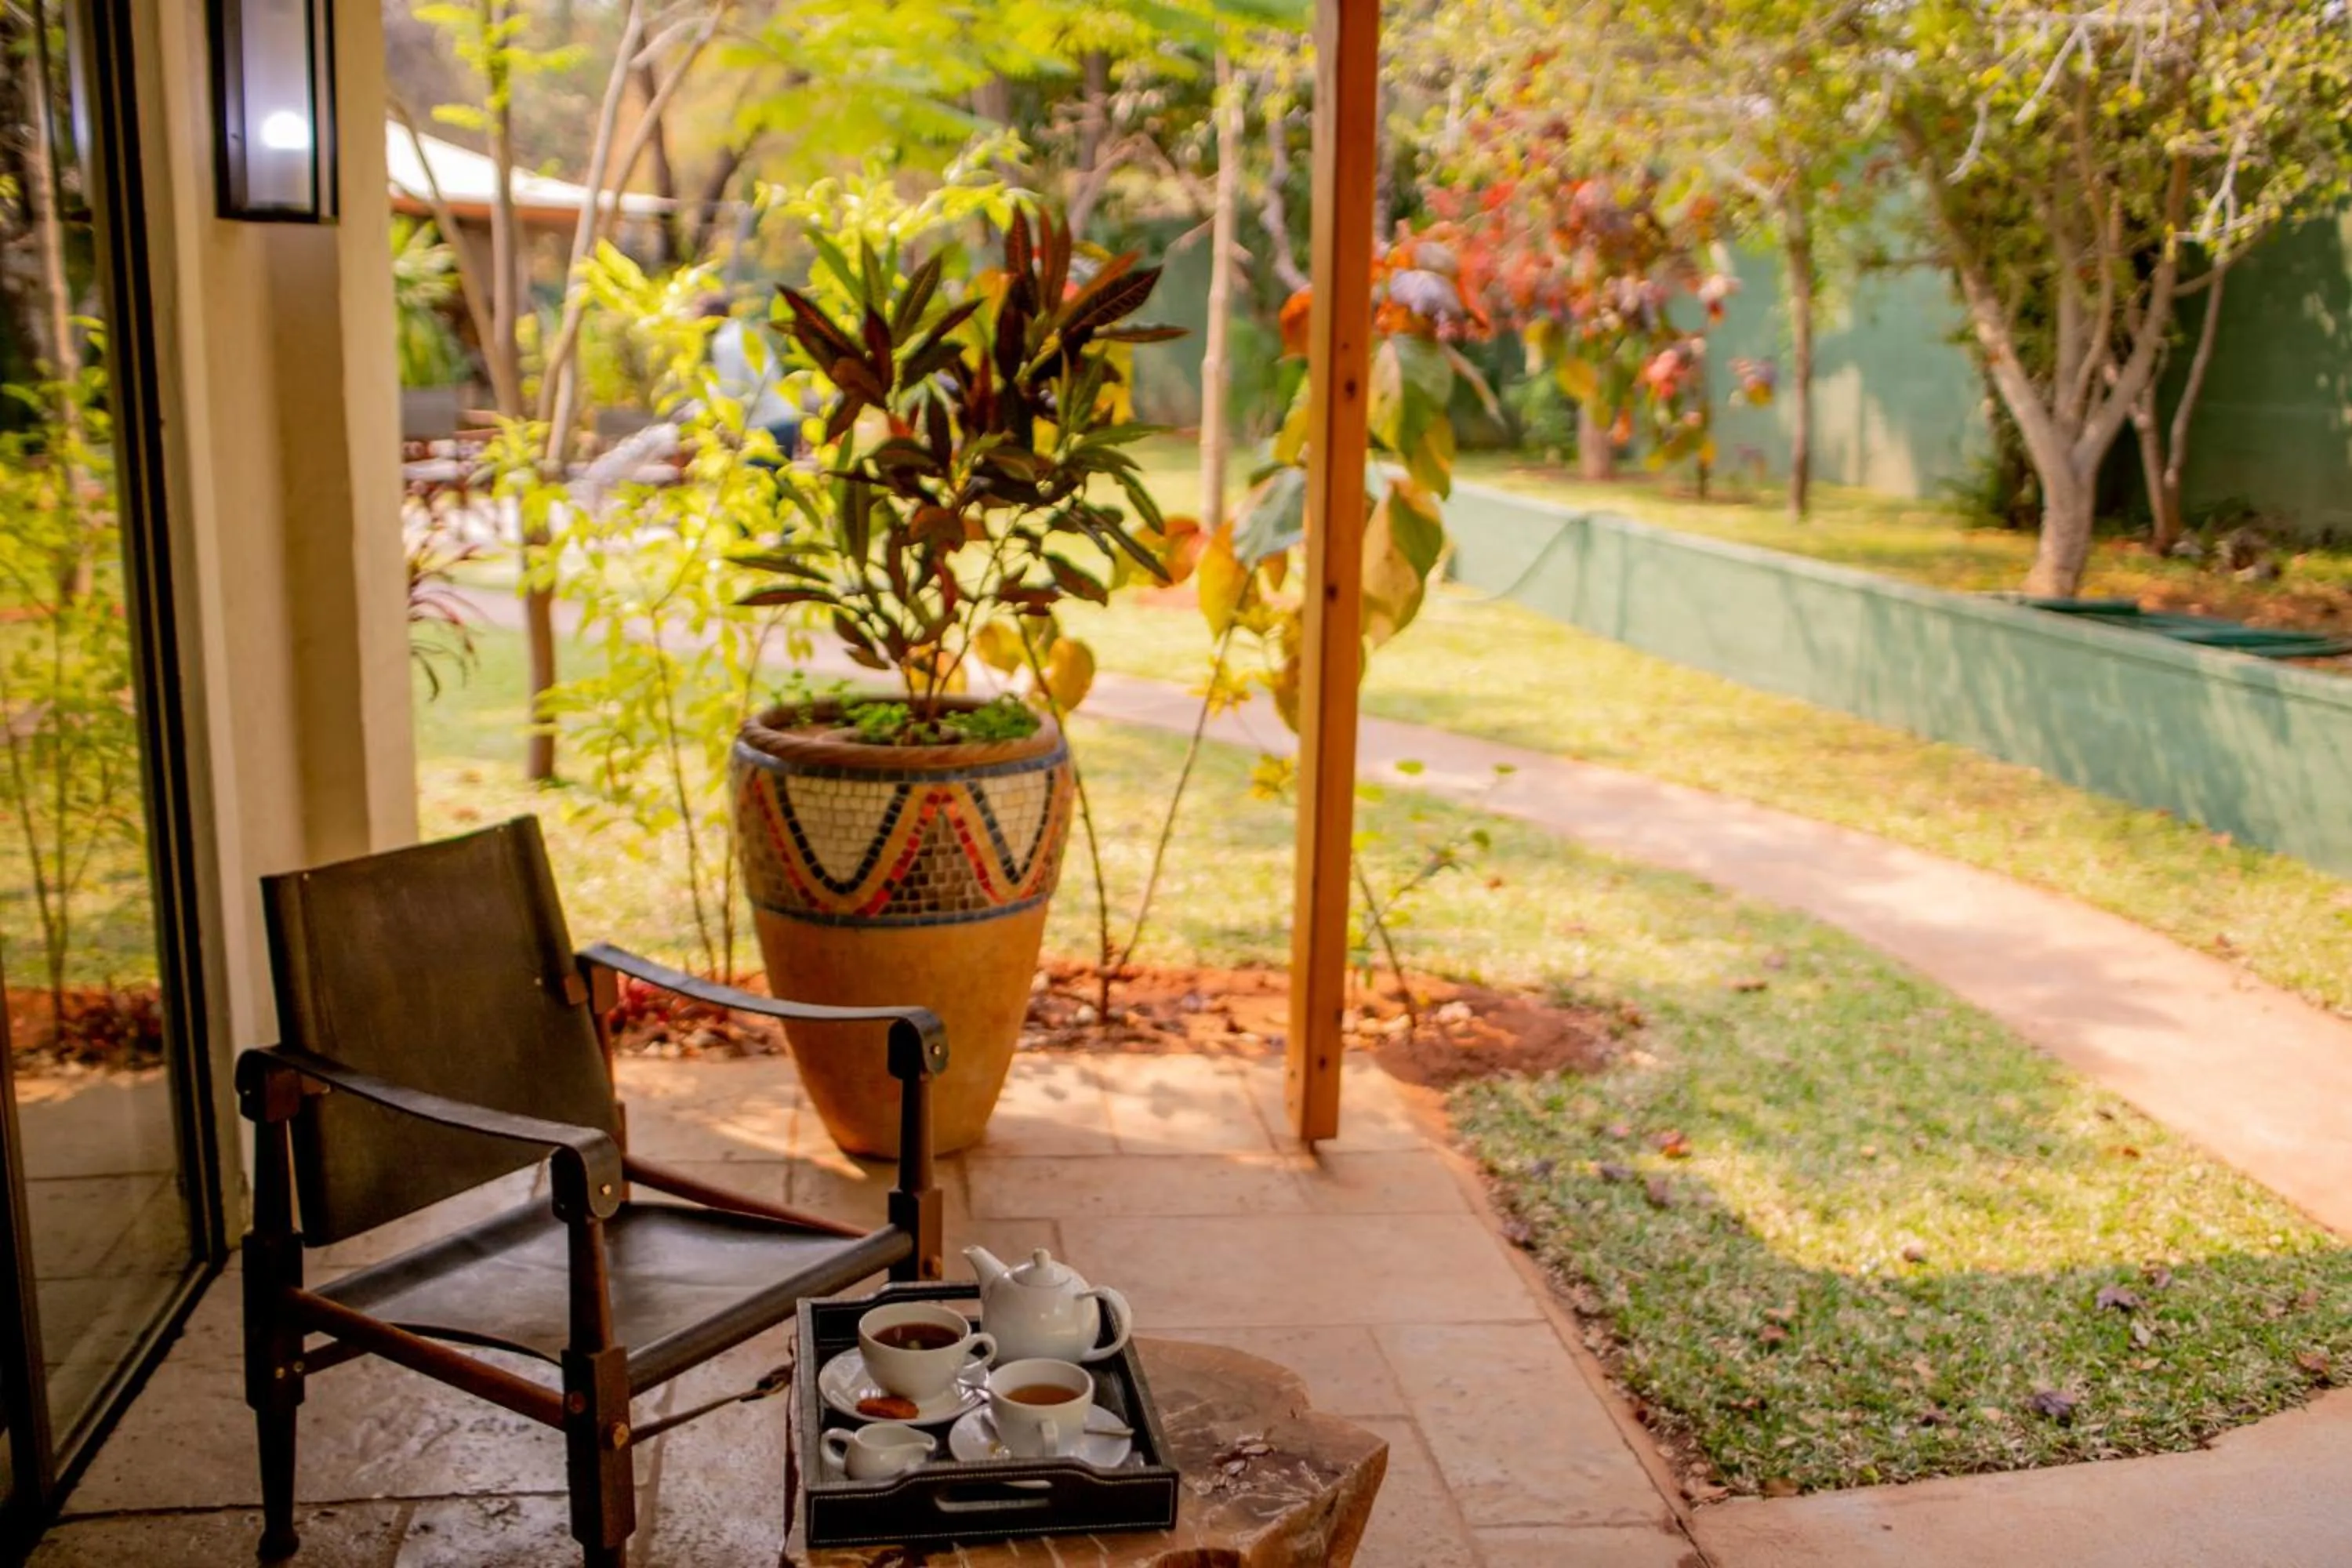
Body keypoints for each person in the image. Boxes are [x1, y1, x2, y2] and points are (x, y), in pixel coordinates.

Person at [699, 295, 800, 460]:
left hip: (765, 427)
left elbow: (729, 392)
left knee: (755, 482)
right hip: (785, 419)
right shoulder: (745, 333)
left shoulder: (725, 343)